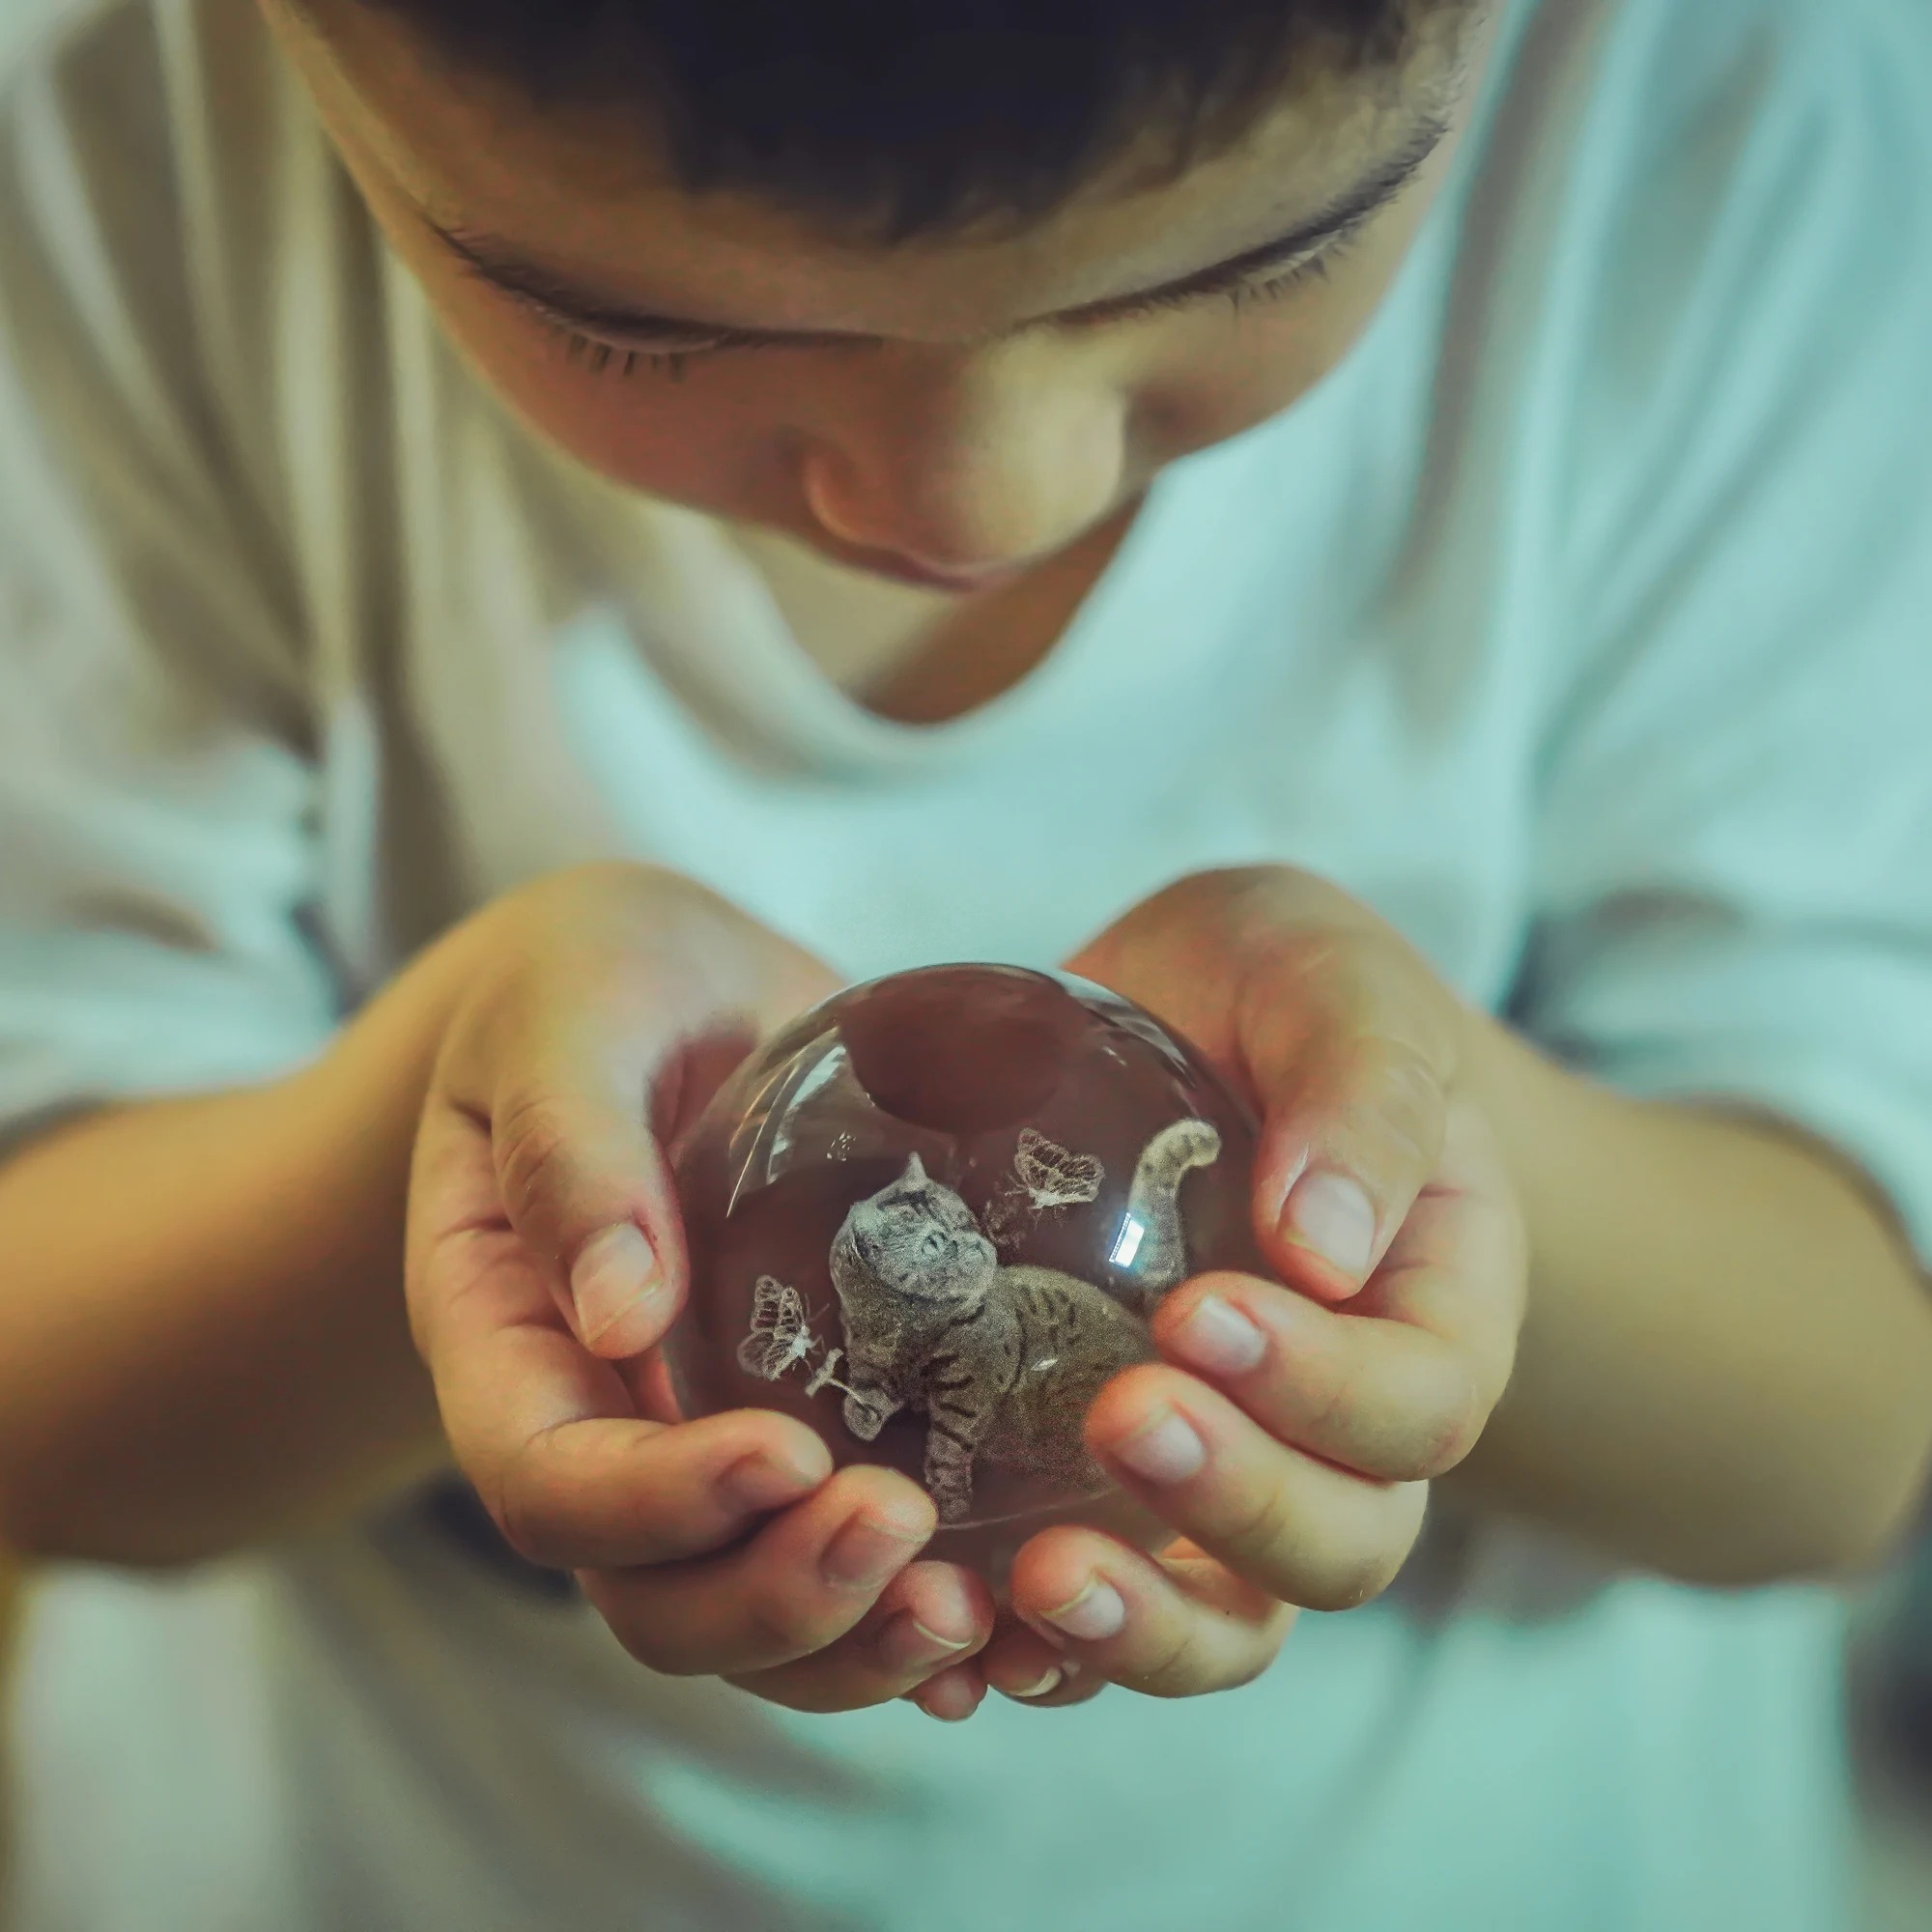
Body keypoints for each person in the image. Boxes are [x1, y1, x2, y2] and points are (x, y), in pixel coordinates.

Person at [1, 0, 1930, 1925]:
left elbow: (1847, 1425)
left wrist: (1423, 1143)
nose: (976, 501)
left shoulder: (1731, 131)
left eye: (1274, 252)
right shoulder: (112, 195)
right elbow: (45, 1402)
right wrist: (442, 1155)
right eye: (637, 323)